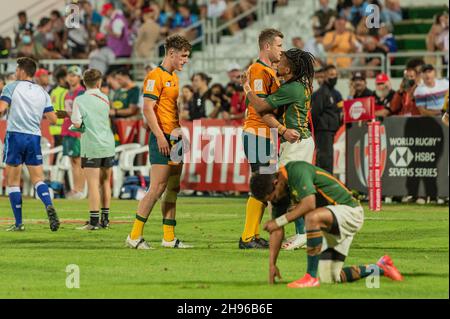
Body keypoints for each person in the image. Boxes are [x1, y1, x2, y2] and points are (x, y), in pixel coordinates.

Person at [250, 161, 403, 287]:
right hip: (331, 220)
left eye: (274, 197)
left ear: (276, 183)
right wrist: (272, 264)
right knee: (331, 277)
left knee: (311, 217)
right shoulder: (279, 194)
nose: (275, 201)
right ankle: (381, 267)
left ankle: (310, 277)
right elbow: (277, 231)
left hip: (349, 211)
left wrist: (279, 221)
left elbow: (309, 204)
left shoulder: (296, 170)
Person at [243, 48, 316, 251]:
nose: (279, 60)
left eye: (282, 59)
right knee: (291, 189)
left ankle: (303, 234)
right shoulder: (300, 84)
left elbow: (261, 106)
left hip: (296, 143)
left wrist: (247, 88)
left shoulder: (291, 88)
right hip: (299, 141)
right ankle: (305, 232)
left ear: (290, 67)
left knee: (285, 189)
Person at [126, 35, 192, 249]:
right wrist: (161, 136)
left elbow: (169, 109)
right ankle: (134, 236)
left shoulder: (173, 77)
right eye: (183, 56)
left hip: (175, 137)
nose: (185, 60)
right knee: (156, 188)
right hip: (162, 138)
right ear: (171, 53)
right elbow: (147, 108)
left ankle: (169, 238)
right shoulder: (155, 76)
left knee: (173, 188)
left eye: (187, 56)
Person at [0, 57, 60, 232]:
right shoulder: (42, 92)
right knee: (38, 179)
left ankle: (19, 223)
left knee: (12, 181)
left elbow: (2, 108)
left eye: (17, 69)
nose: (15, 72)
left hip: (15, 136)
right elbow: (53, 119)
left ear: (22, 71)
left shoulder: (11, 87)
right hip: (34, 138)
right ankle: (48, 204)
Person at [239, 29, 286, 249]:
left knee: (266, 184)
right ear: (267, 46)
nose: (281, 50)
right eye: (278, 46)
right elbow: (261, 106)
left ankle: (253, 235)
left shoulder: (270, 71)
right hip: (257, 133)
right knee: (262, 184)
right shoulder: (258, 70)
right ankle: (247, 237)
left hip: (265, 135)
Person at [71, 69, 115, 230]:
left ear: (84, 82)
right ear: (99, 82)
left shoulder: (79, 100)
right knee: (105, 182)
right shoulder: (105, 98)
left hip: (92, 146)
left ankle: (94, 222)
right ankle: (105, 219)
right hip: (108, 144)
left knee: (93, 183)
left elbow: (76, 123)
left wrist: (76, 124)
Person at [61, 66, 86, 199]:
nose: (71, 78)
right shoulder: (67, 93)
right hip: (67, 129)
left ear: (80, 77)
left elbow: (82, 112)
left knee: (78, 160)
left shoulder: (81, 92)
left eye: (74, 75)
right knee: (72, 161)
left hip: (76, 129)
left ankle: (79, 190)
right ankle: (75, 188)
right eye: (69, 75)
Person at [311, 64, 341, 174]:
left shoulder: (331, 92)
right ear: (325, 76)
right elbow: (315, 112)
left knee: (327, 158)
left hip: (328, 130)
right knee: (324, 159)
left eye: (335, 74)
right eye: (331, 75)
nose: (334, 77)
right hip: (323, 131)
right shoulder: (322, 93)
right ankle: (324, 185)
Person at [49, 67, 68, 147]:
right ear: (61, 79)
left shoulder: (53, 91)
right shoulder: (65, 92)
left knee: (58, 155)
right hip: (62, 128)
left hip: (54, 128)